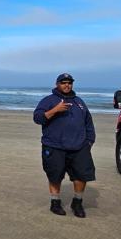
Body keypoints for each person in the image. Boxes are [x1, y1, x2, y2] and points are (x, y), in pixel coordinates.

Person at [33, 73, 96, 217]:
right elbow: (37, 118)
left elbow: (88, 122)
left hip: (79, 147)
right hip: (54, 146)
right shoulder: (48, 100)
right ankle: (55, 203)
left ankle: (77, 202)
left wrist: (89, 141)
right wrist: (55, 110)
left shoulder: (79, 102)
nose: (67, 85)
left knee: (82, 175)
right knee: (55, 175)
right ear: (57, 84)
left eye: (69, 82)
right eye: (63, 82)